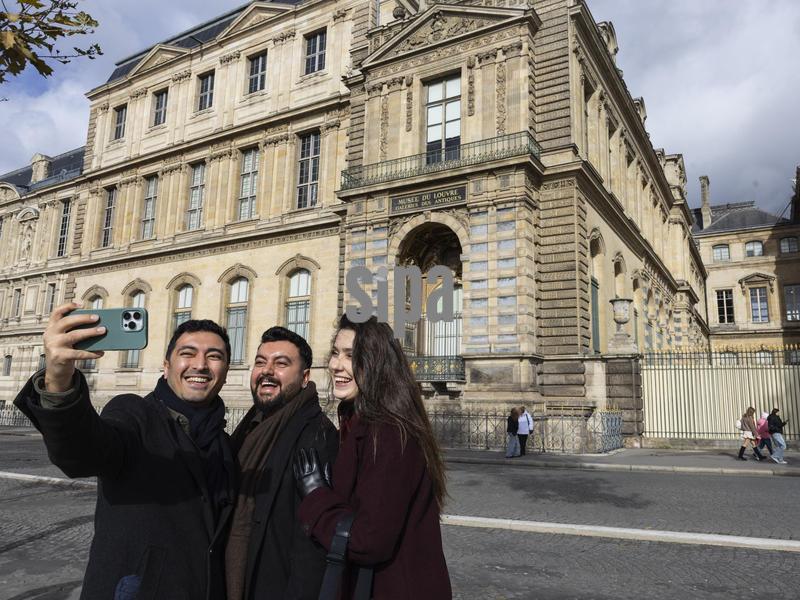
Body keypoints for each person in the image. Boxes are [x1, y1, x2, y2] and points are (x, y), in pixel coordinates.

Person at [13, 304, 236, 600]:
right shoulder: (133, 413)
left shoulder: (224, 443)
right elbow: (81, 451)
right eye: (187, 353)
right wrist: (58, 379)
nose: (200, 365)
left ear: (225, 371)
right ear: (166, 366)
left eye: (214, 356)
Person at [294, 315, 451, 599]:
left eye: (352, 356)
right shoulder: (362, 422)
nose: (335, 365)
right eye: (335, 353)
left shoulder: (388, 432)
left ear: (378, 364)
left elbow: (369, 540)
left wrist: (317, 497)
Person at [225, 326, 338, 600]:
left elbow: (312, 547)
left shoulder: (317, 436)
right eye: (260, 362)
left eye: (281, 364)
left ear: (305, 377)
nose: (267, 371)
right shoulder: (251, 424)